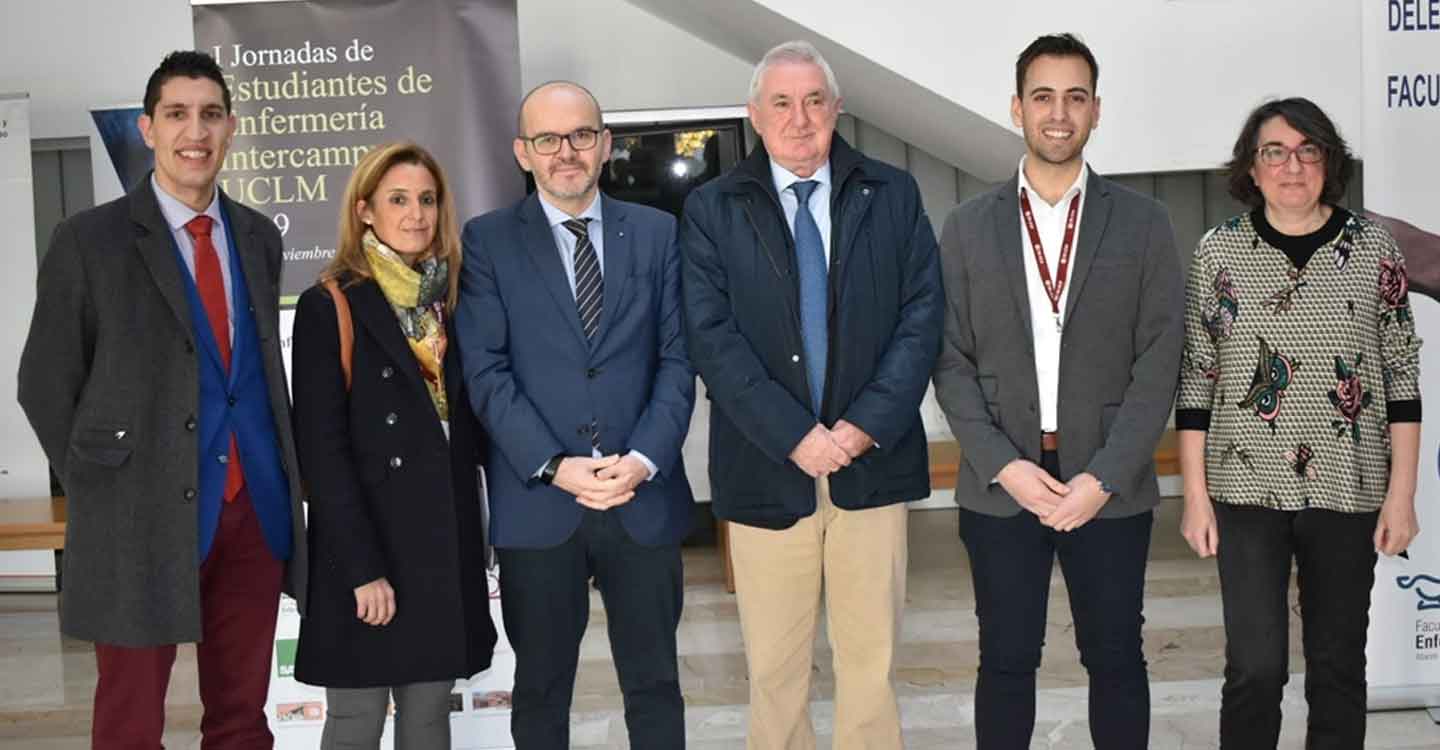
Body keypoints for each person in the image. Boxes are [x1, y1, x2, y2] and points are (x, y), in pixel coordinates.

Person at [17, 50, 307, 748]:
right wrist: (105, 485)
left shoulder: (259, 237)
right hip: (138, 517)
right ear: (148, 128)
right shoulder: (90, 240)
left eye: (210, 115)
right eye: (176, 114)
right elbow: (44, 383)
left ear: (231, 129)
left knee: (242, 718)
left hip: (252, 509)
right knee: (129, 721)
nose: (194, 131)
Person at [681, 40, 942, 749]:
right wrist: (796, 434)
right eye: (782, 104)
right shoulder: (711, 208)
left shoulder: (893, 193)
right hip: (768, 470)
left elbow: (922, 321)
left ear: (838, 110)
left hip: (872, 466)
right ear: (755, 116)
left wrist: (859, 428)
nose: (800, 119)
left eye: (814, 101)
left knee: (871, 667)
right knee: (773, 672)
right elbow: (711, 337)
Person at [931, 33, 1183, 750]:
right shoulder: (968, 227)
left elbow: (1159, 359)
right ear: (1016, 109)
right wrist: (1004, 466)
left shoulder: (1143, 223)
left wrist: (1105, 475)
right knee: (1006, 662)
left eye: (1075, 97)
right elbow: (947, 361)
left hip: (1108, 486)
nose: (1059, 113)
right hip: (1001, 485)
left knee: (1115, 659)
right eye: (1043, 96)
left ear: (1096, 111)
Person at [1176, 97, 1422, 749]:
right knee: (1254, 670)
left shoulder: (1374, 247)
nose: (1292, 166)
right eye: (1274, 152)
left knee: (1338, 670)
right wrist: (1195, 496)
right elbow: (1198, 376)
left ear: (1329, 162)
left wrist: (1403, 495)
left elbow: (1402, 374)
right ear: (1251, 170)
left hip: (1350, 486)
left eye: (1308, 150)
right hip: (1242, 491)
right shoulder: (1217, 253)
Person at [457, 81, 695, 749]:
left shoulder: (657, 233)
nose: (566, 151)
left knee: (654, 687)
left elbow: (678, 360)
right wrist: (555, 465)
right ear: (522, 153)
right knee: (539, 692)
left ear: (606, 144)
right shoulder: (488, 242)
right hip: (541, 505)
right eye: (547, 139)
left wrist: (644, 459)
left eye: (581, 135)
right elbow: (487, 372)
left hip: (640, 499)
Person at [290, 142, 497, 749]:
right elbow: (322, 454)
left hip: (439, 549)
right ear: (365, 212)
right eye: (399, 200)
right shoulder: (329, 305)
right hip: (367, 553)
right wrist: (363, 570)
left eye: (427, 200)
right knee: (355, 720)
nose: (416, 215)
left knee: (429, 719)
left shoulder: (451, 303)